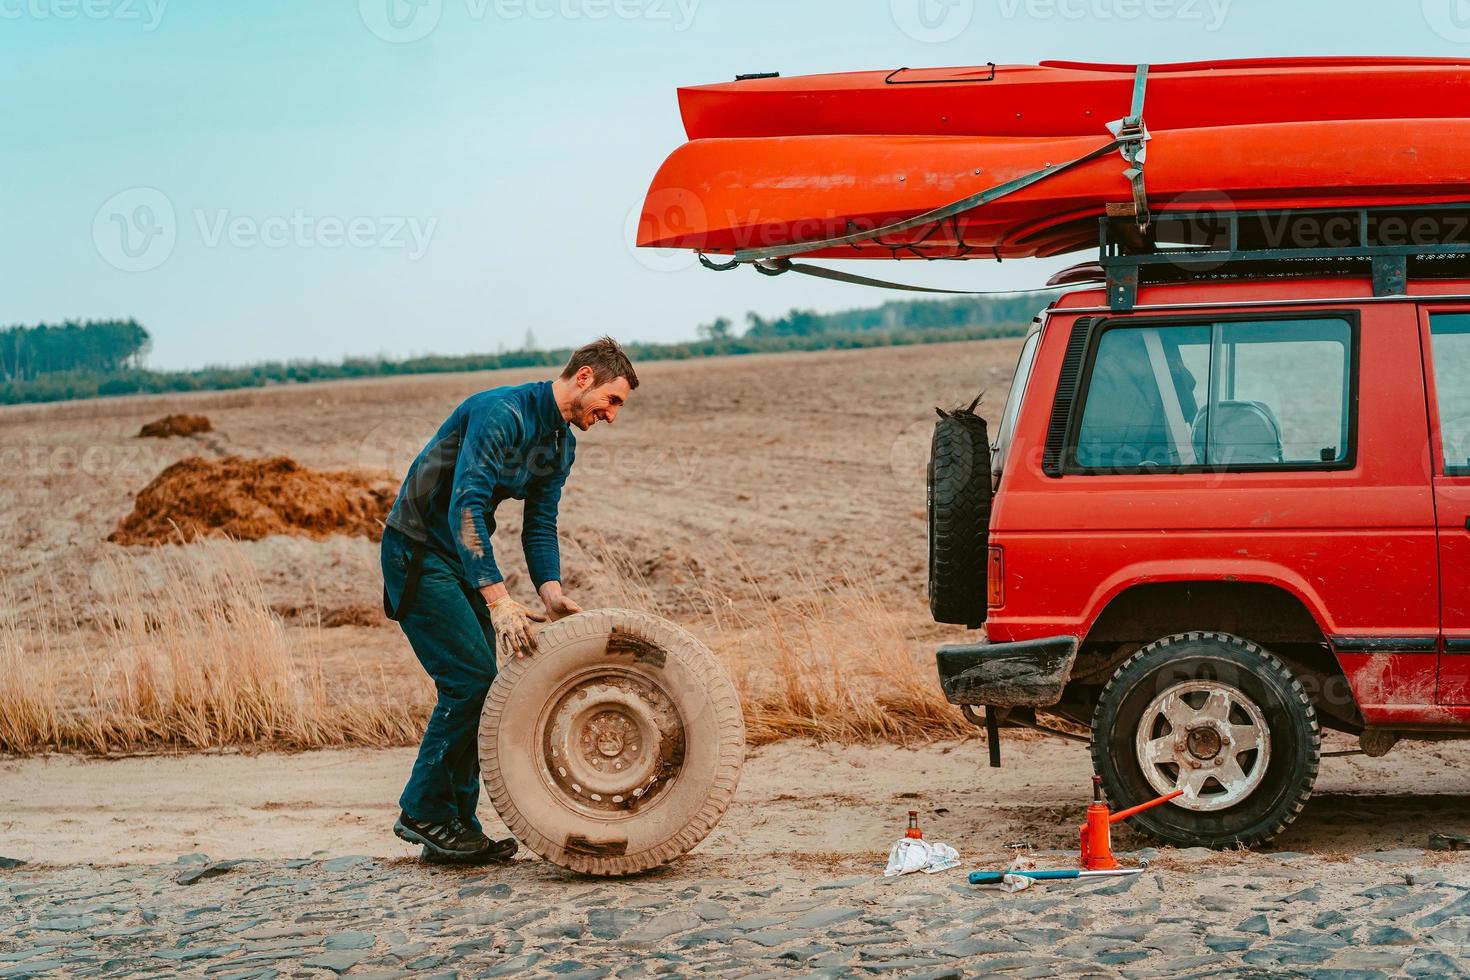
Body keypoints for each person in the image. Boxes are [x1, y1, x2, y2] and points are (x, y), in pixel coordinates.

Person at [379, 337, 639, 863]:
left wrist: (551, 593)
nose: (611, 416)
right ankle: (423, 811)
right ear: (584, 377)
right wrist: (499, 600)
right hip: (418, 551)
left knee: (486, 686)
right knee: (469, 681)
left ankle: (456, 825)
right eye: (611, 401)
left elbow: (540, 525)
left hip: (458, 560)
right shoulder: (502, 412)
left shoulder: (560, 446)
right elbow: (466, 506)